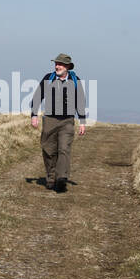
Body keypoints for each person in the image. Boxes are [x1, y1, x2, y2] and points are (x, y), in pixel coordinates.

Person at [29, 53, 86, 192]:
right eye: (56, 63)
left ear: (67, 67)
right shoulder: (48, 78)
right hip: (49, 120)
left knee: (63, 149)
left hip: (67, 121)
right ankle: (51, 177)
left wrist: (82, 121)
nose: (57, 66)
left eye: (60, 64)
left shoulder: (75, 80)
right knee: (48, 150)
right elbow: (37, 96)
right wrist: (34, 115)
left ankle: (61, 178)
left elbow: (81, 101)